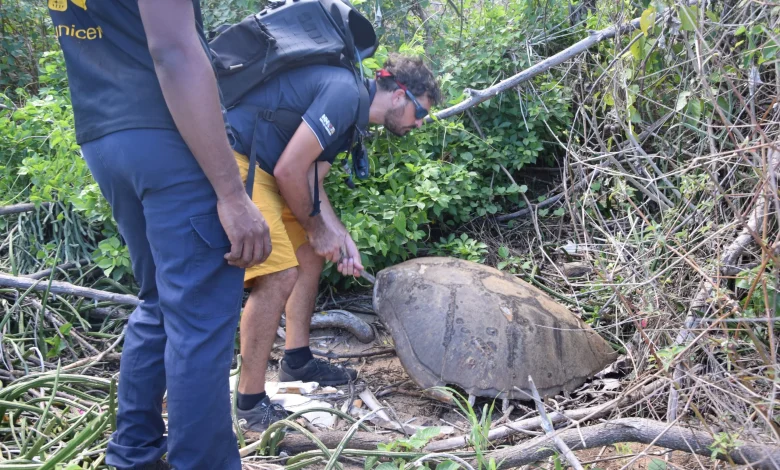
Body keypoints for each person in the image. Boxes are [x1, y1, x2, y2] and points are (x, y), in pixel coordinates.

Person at [46, 1, 271, 469]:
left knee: (159, 304)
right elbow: (172, 49)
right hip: (168, 135)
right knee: (199, 320)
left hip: (105, 136)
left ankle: (132, 453)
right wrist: (231, 193)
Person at [227, 53, 442, 431]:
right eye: (419, 114)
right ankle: (250, 402)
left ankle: (296, 359)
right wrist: (317, 229)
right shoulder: (344, 94)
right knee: (278, 275)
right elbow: (289, 170)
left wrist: (340, 237)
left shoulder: (354, 116)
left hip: (273, 167)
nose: (417, 124)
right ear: (398, 95)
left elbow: (311, 178)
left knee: (311, 254)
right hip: (243, 159)